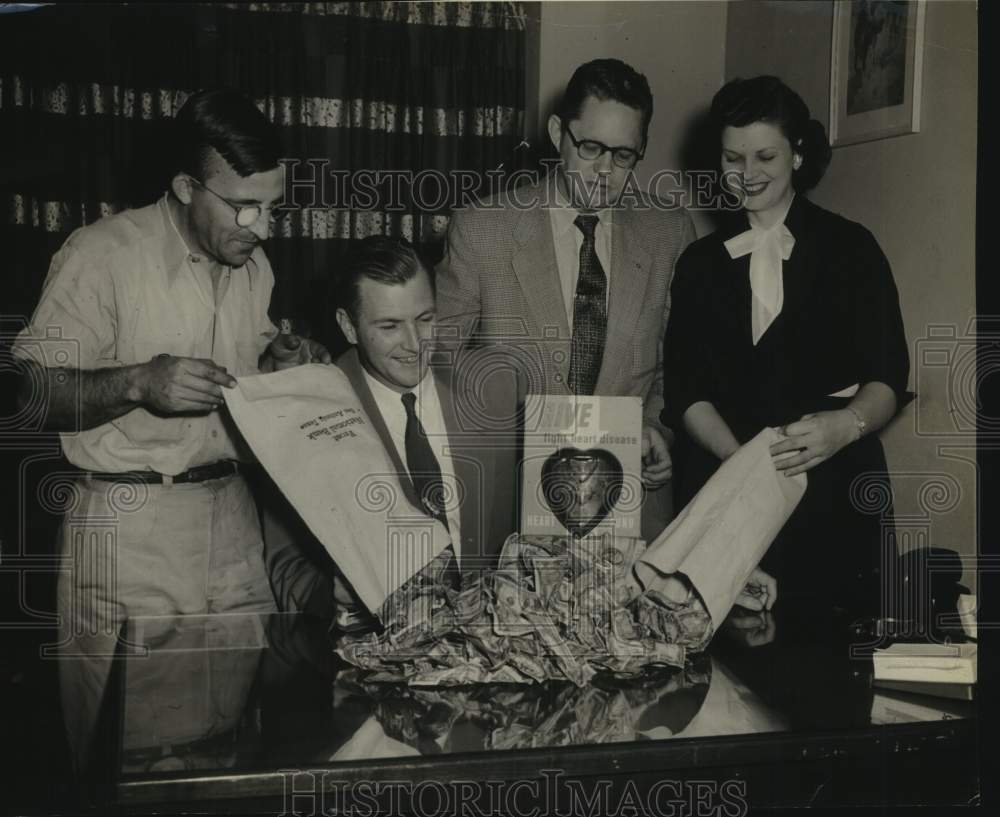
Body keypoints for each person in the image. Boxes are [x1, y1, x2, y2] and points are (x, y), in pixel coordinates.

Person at [12, 87, 328, 771]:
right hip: (131, 530)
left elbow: (248, 381)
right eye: (245, 206)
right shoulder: (102, 255)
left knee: (237, 752)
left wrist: (279, 362)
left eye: (273, 205)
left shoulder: (255, 265)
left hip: (236, 529)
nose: (263, 226)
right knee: (133, 763)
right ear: (186, 186)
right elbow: (31, 394)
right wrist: (137, 382)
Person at [662, 76, 909, 617]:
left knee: (834, 671)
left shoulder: (852, 248)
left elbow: (889, 375)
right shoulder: (698, 265)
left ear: (798, 154)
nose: (747, 175)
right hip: (726, 494)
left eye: (765, 155)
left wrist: (844, 426)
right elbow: (685, 390)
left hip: (835, 492)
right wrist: (742, 465)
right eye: (732, 159)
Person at [435, 58, 696, 547]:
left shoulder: (670, 232)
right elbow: (440, 365)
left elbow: (678, 363)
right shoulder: (482, 228)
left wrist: (656, 427)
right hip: (509, 507)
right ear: (558, 132)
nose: (604, 170)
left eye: (623, 155)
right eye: (591, 147)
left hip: (631, 505)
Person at [264, 236, 515, 619]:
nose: (415, 344)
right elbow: (288, 568)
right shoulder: (308, 415)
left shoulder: (492, 389)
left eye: (425, 319)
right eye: (390, 326)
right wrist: (331, 597)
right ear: (348, 327)